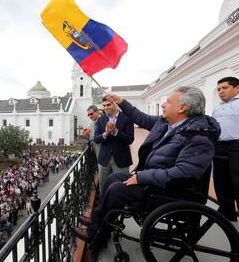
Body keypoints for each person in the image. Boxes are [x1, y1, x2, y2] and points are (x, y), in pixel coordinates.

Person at [72, 86, 221, 247]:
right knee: (114, 178)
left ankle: (96, 233)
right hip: (156, 181)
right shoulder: (168, 123)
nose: (163, 105)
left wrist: (141, 177)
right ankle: (98, 220)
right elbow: (140, 117)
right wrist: (121, 102)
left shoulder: (198, 137)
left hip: (171, 191)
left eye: (168, 102)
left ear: (183, 108)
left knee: (117, 189)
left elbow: (183, 173)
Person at [212, 76, 239, 221]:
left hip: (236, 147)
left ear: (237, 88)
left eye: (224, 88)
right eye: (218, 89)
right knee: (220, 180)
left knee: (238, 182)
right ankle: (227, 212)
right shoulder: (218, 107)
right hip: (219, 146)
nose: (221, 91)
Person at [94, 97, 134, 193]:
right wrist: (106, 133)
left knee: (121, 185)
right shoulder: (100, 120)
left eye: (108, 105)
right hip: (104, 159)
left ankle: (120, 207)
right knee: (103, 185)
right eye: (104, 105)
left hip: (121, 159)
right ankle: (104, 206)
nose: (106, 108)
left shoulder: (126, 118)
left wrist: (116, 131)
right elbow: (96, 139)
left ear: (115, 105)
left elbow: (130, 139)